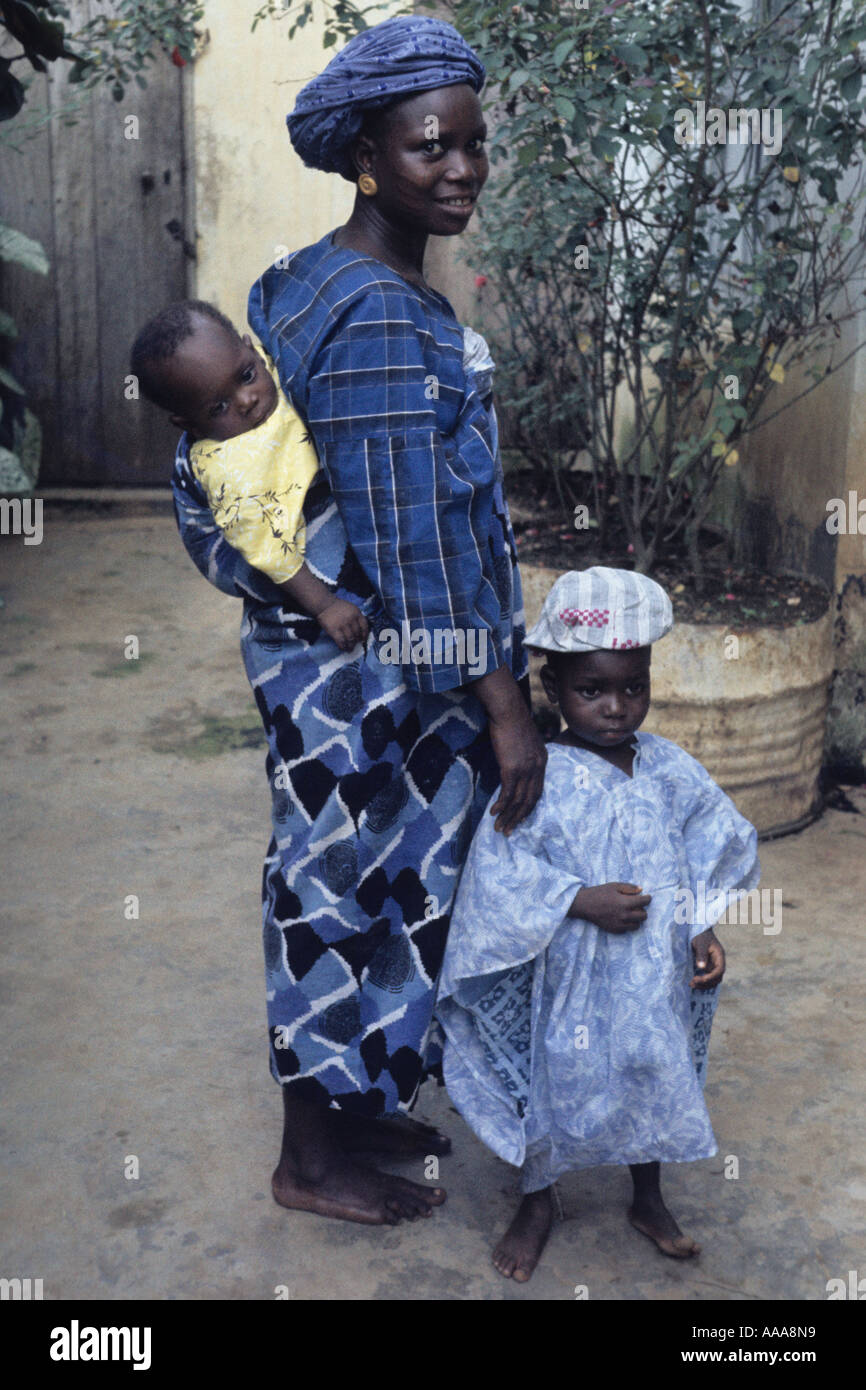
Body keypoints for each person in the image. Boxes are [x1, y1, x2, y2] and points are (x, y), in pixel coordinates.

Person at [169, 14, 547, 1227]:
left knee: (367, 882)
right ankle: (308, 1159)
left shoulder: (309, 272)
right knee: (337, 893)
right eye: (430, 146)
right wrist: (506, 706)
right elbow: (415, 546)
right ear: (366, 159)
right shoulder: (382, 316)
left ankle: (352, 1102)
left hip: (328, 671)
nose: (462, 169)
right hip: (369, 677)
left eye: (474, 145)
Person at [437, 567, 760, 1280]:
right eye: (592, 690)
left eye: (632, 687)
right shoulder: (537, 776)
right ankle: (539, 1198)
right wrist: (578, 901)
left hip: (653, 973)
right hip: (573, 975)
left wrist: (702, 927)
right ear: (554, 691)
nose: (616, 707)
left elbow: (702, 850)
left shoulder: (668, 770)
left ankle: (648, 1195)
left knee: (654, 1064)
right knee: (557, 1076)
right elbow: (500, 872)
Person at [130, 300, 368, 652]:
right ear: (189, 425)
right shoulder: (228, 470)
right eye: (219, 407)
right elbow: (267, 550)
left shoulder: (285, 369)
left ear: (249, 347)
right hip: (308, 612)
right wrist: (325, 605)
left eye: (246, 376)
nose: (246, 400)